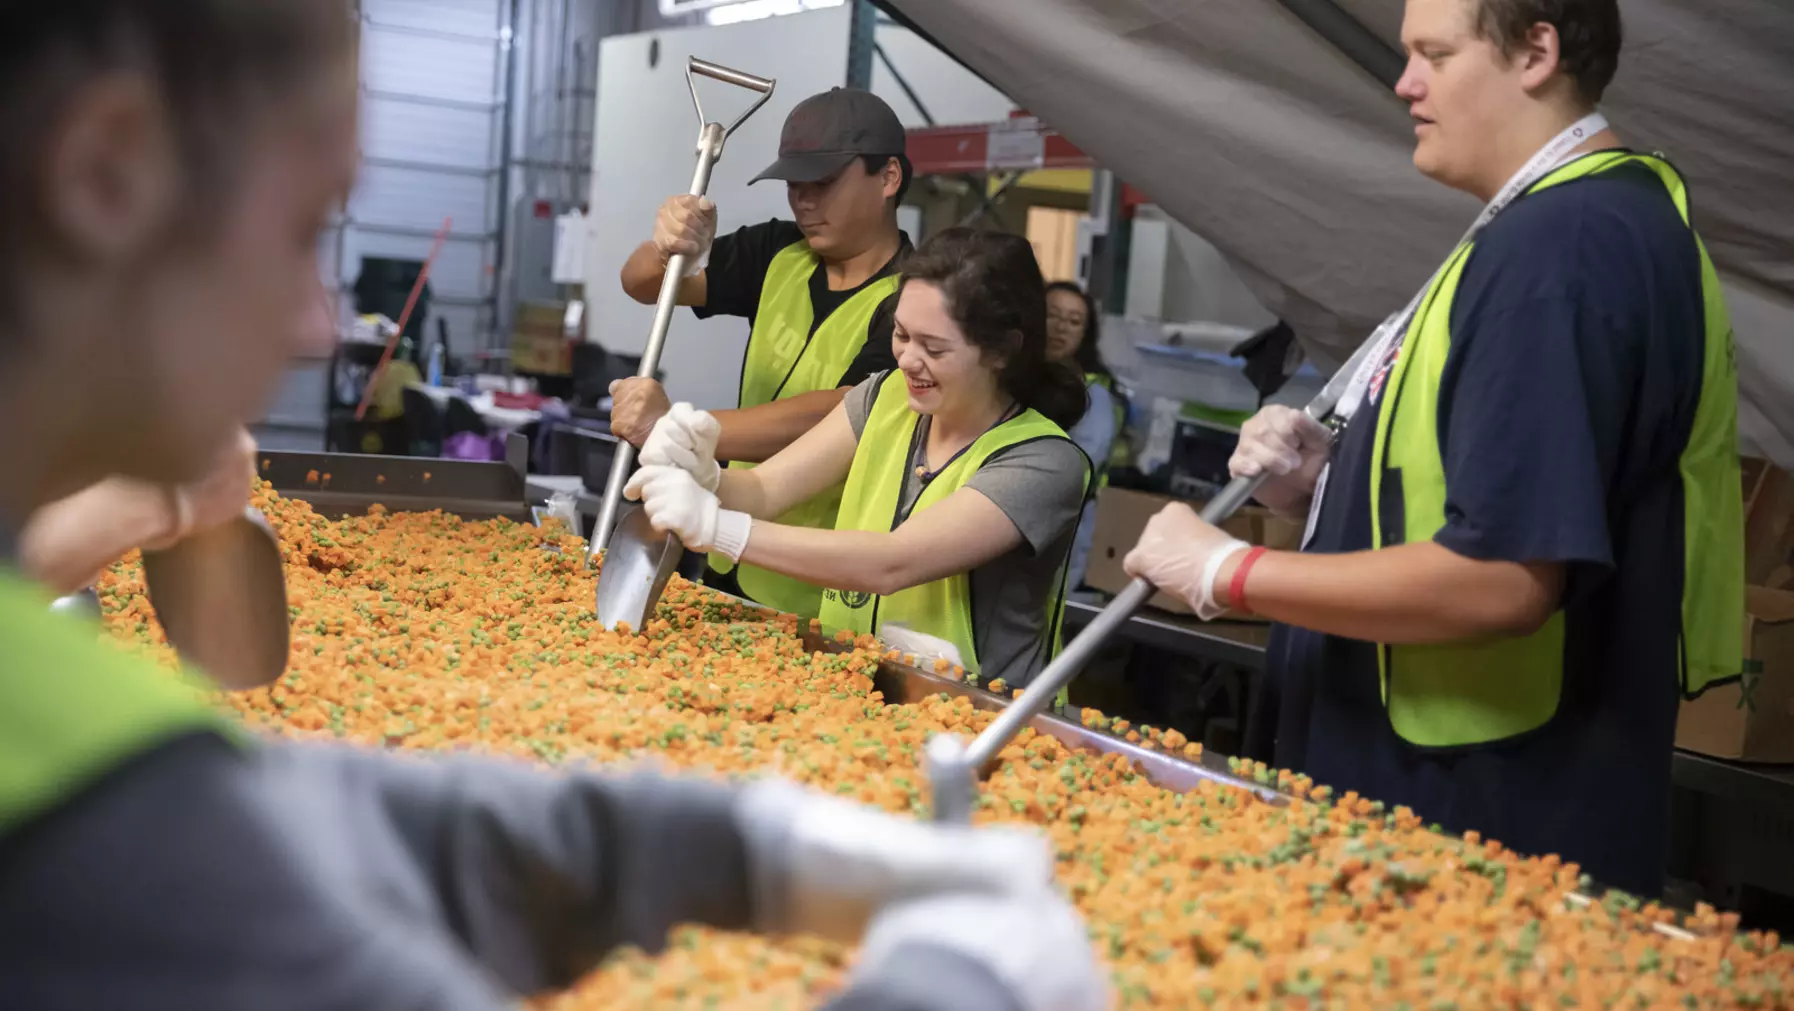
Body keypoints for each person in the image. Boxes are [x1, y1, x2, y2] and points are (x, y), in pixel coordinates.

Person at [0, 6, 1106, 1011]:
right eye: (300, 231)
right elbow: (218, 846)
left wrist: (725, 846)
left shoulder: (55, 683)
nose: (316, 321)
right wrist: (959, 982)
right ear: (107, 173)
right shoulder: (101, 824)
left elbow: (287, 810)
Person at [1123, 0, 1742, 898]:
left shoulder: (1561, 247)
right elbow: (1499, 479)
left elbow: (1501, 577)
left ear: (1537, 52)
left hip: (1476, 833)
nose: (1404, 82)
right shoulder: (1568, 222)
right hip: (1440, 806)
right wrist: (1330, 481)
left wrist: (1229, 570)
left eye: (1433, 55)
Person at [627, 229, 1091, 688]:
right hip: (857, 687)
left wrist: (716, 529)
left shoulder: (1043, 462)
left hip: (977, 722)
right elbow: (766, 490)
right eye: (902, 335)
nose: (908, 359)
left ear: (1002, 351)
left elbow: (892, 563)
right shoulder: (882, 398)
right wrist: (705, 476)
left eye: (934, 348)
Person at [614, 87, 914, 620]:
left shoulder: (914, 298)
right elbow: (643, 284)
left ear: (888, 177)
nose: (804, 201)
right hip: (722, 551)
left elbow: (841, 411)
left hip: (814, 584)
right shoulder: (777, 253)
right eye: (794, 185)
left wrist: (682, 427)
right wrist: (666, 244)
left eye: (822, 183)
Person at [1045, 282, 1122, 592]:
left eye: (1074, 321)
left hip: (1060, 537)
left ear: (1084, 335)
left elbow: (1076, 473)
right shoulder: (1011, 375)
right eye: (1053, 315)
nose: (1061, 327)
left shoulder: (1093, 396)